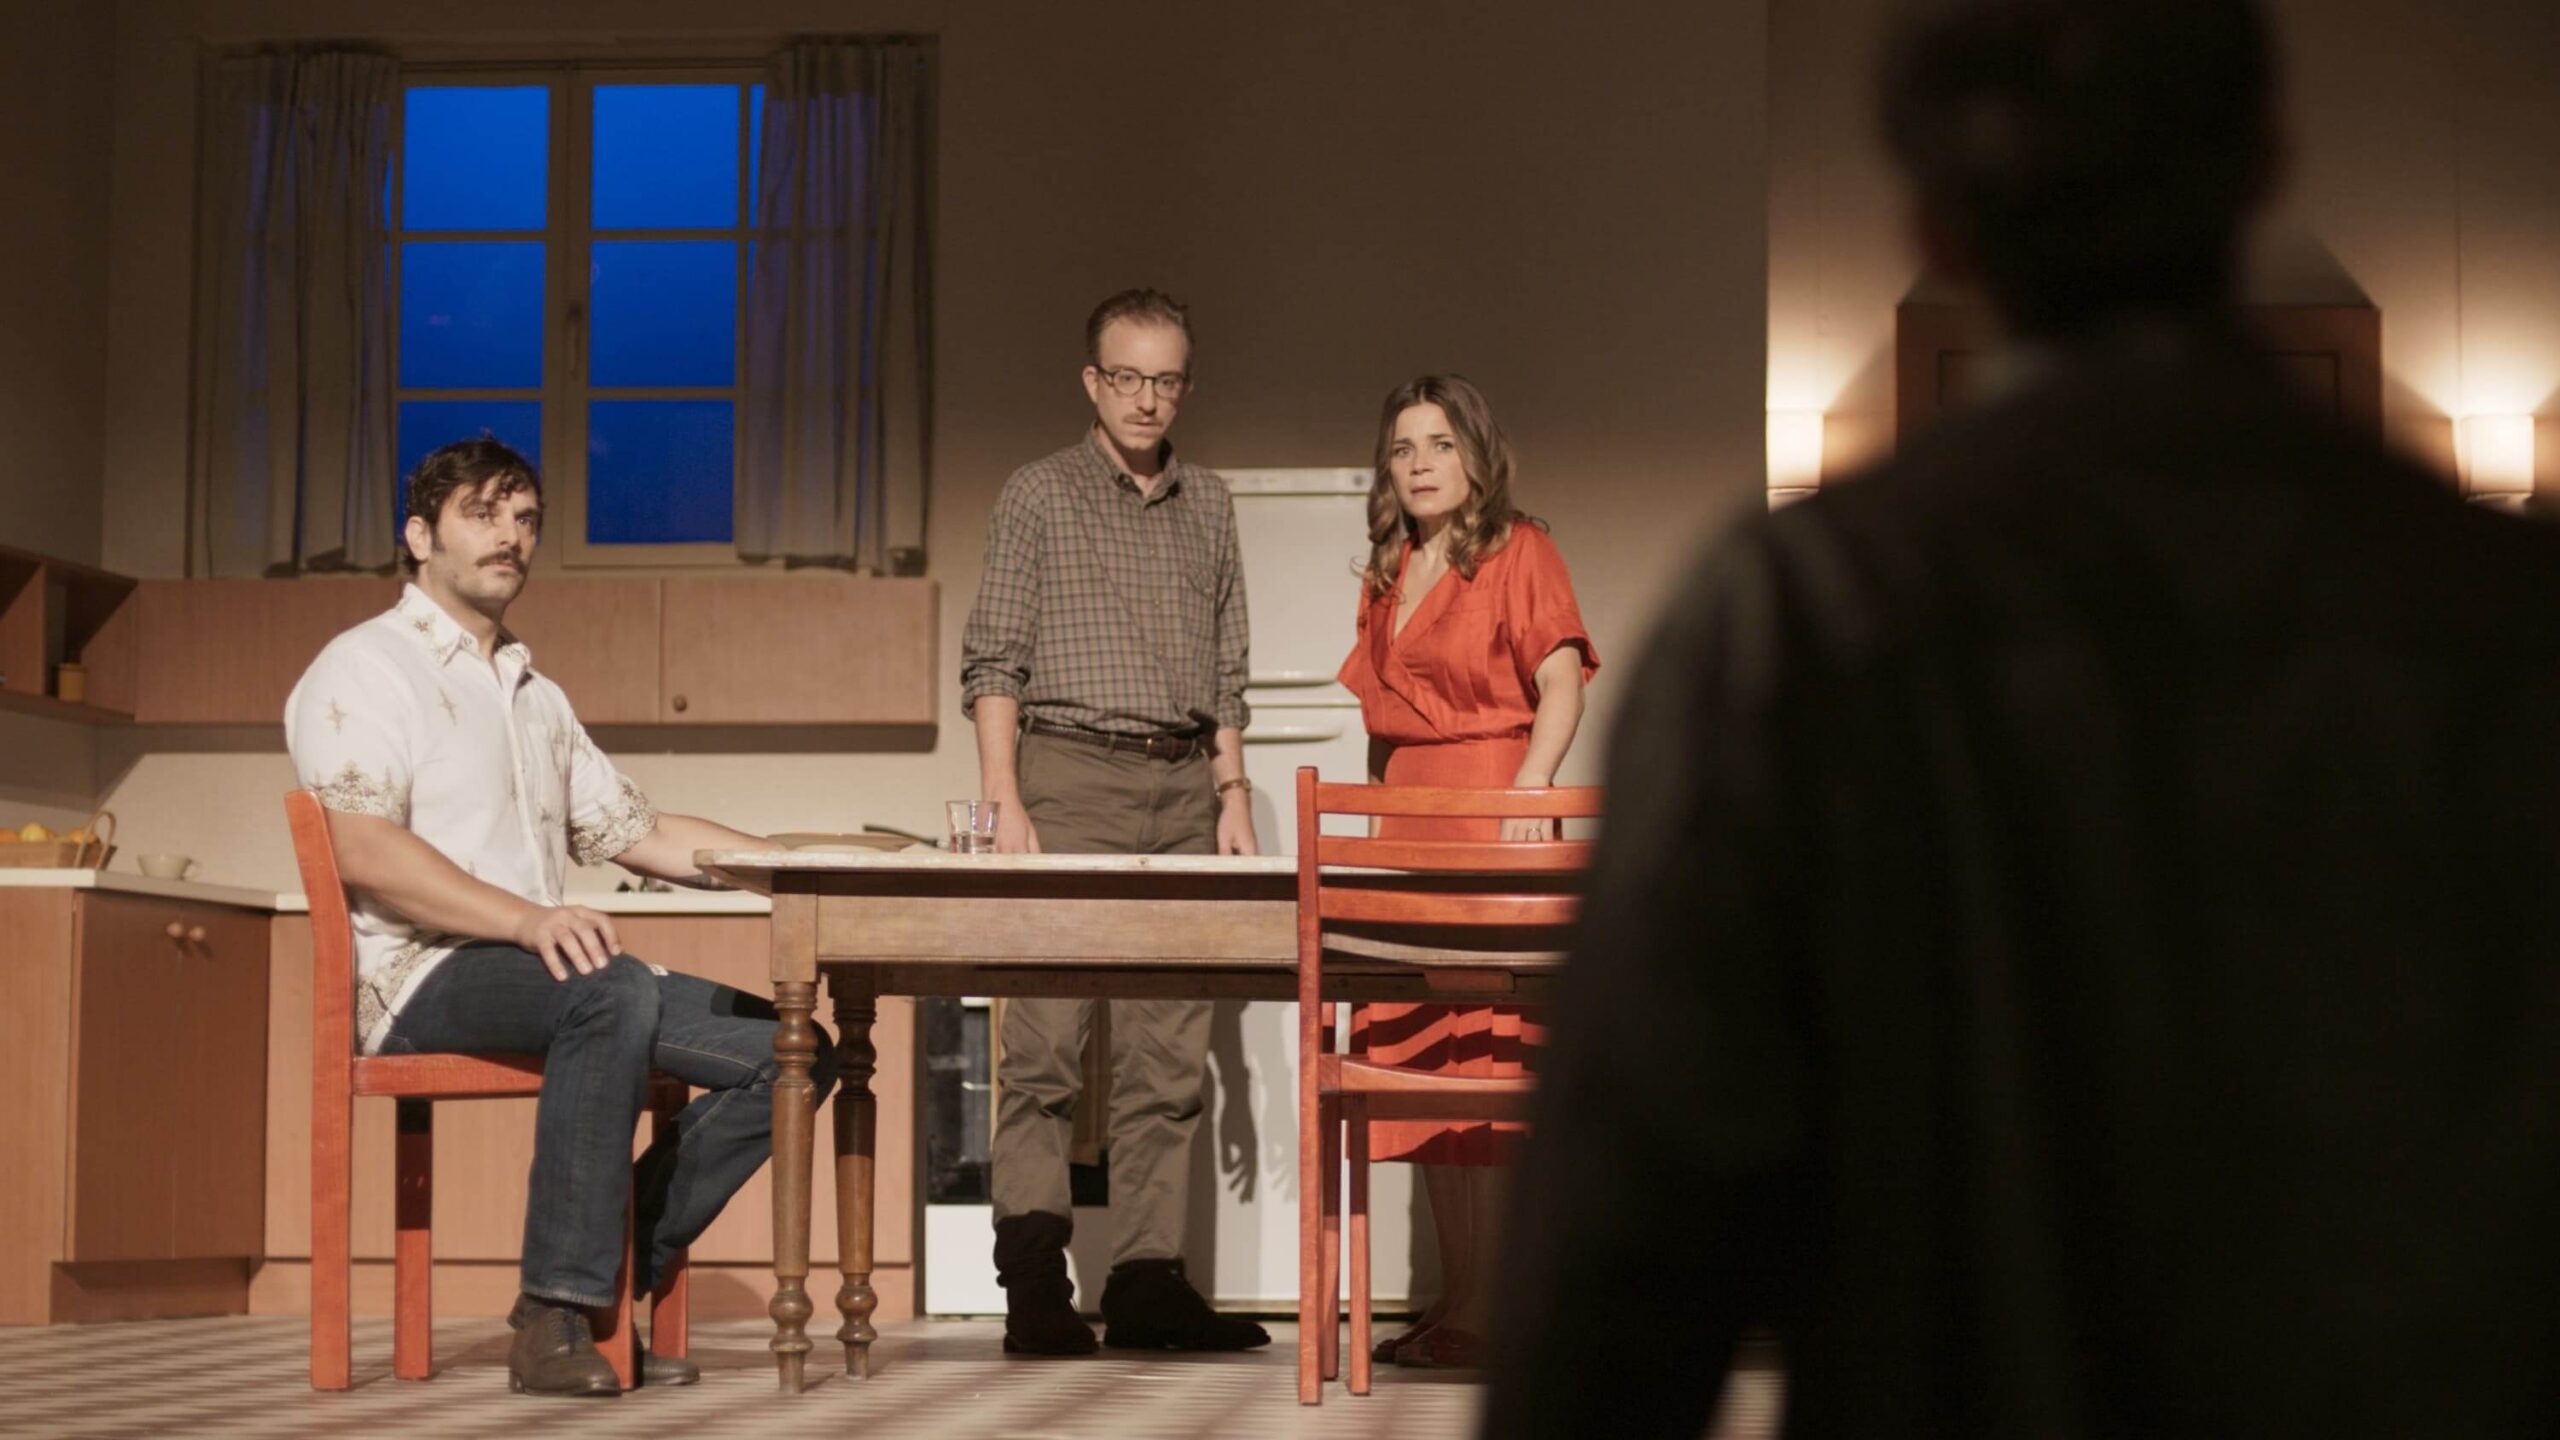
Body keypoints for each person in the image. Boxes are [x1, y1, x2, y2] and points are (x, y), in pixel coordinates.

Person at [1489, 1, 2560, 1437]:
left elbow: (1622, 1253)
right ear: (2266, 156)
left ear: (1932, 222)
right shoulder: (2502, 617)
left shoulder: (1799, 618)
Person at [285, 438, 837, 1399]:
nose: (511, 535)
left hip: (545, 970)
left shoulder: (534, 694)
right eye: (482, 513)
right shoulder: (365, 667)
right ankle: (556, 1311)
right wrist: (525, 920)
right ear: (419, 535)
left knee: (792, 1054)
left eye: (525, 518)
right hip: (417, 977)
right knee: (607, 989)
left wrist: (800, 872)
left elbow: (642, 832)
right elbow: (364, 849)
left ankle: (613, 1274)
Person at [960, 288, 1269, 1355]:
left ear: (1186, 386)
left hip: (1182, 788)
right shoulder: (1038, 492)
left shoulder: (1210, 503)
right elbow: (993, 658)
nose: (1147, 399)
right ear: (1093, 381)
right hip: (1067, 776)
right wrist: (1003, 797)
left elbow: (1228, 668)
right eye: (1128, 377)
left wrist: (1232, 794)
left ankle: (1144, 1281)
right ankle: (1034, 1286)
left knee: (1167, 1054)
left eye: (1166, 380)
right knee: (1046, 1045)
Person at [1336, 374, 1597, 1368]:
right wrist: (1373, 834)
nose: (1420, 463)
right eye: (1403, 447)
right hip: (1405, 828)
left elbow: (1561, 684)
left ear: (1477, 456)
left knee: (1485, 1064)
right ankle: (1458, 1303)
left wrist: (1530, 791)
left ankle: (1494, 1311)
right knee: (1422, 1070)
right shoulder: (1387, 569)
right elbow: (1381, 726)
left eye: (1441, 443)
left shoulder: (1519, 549)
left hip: (1490, 812)